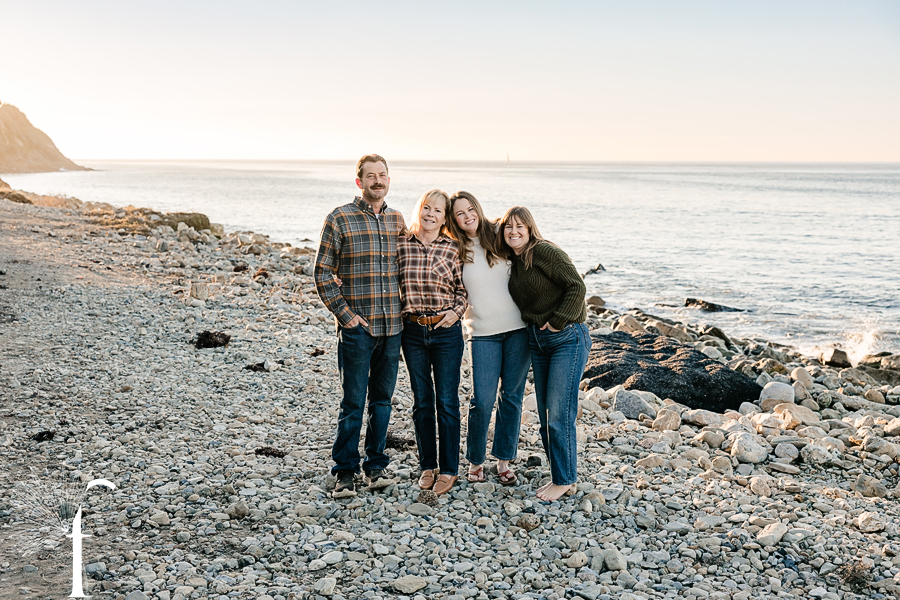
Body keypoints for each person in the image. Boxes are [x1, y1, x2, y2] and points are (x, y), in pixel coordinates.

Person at [314, 154, 405, 499]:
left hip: (393, 328)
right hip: (357, 330)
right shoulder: (339, 218)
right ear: (359, 182)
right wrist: (345, 316)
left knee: (382, 401)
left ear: (388, 180)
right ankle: (345, 471)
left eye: (382, 175)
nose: (377, 181)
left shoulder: (397, 221)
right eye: (370, 176)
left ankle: (376, 465)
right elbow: (322, 272)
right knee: (353, 401)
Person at [499, 206, 592, 502]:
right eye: (507, 227)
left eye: (519, 226)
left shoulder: (545, 252)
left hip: (566, 339)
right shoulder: (515, 260)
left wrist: (559, 319)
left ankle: (563, 479)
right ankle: (562, 473)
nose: (513, 231)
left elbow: (577, 286)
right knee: (545, 415)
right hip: (537, 341)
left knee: (559, 414)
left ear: (530, 229)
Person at [446, 191, 531, 486]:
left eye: (471, 209)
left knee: (511, 397)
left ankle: (504, 459)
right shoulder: (455, 248)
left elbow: (532, 248)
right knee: (482, 400)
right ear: (453, 219)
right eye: (460, 213)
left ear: (477, 208)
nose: (468, 216)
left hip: (518, 330)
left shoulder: (499, 233)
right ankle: (475, 460)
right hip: (482, 334)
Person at [399, 189, 468, 496]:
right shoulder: (402, 243)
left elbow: (463, 291)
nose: (430, 214)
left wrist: (456, 312)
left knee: (447, 402)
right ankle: (428, 465)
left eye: (438, 211)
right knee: (422, 401)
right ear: (420, 209)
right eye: (427, 208)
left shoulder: (454, 248)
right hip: (412, 332)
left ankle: (450, 469)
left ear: (445, 217)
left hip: (446, 332)